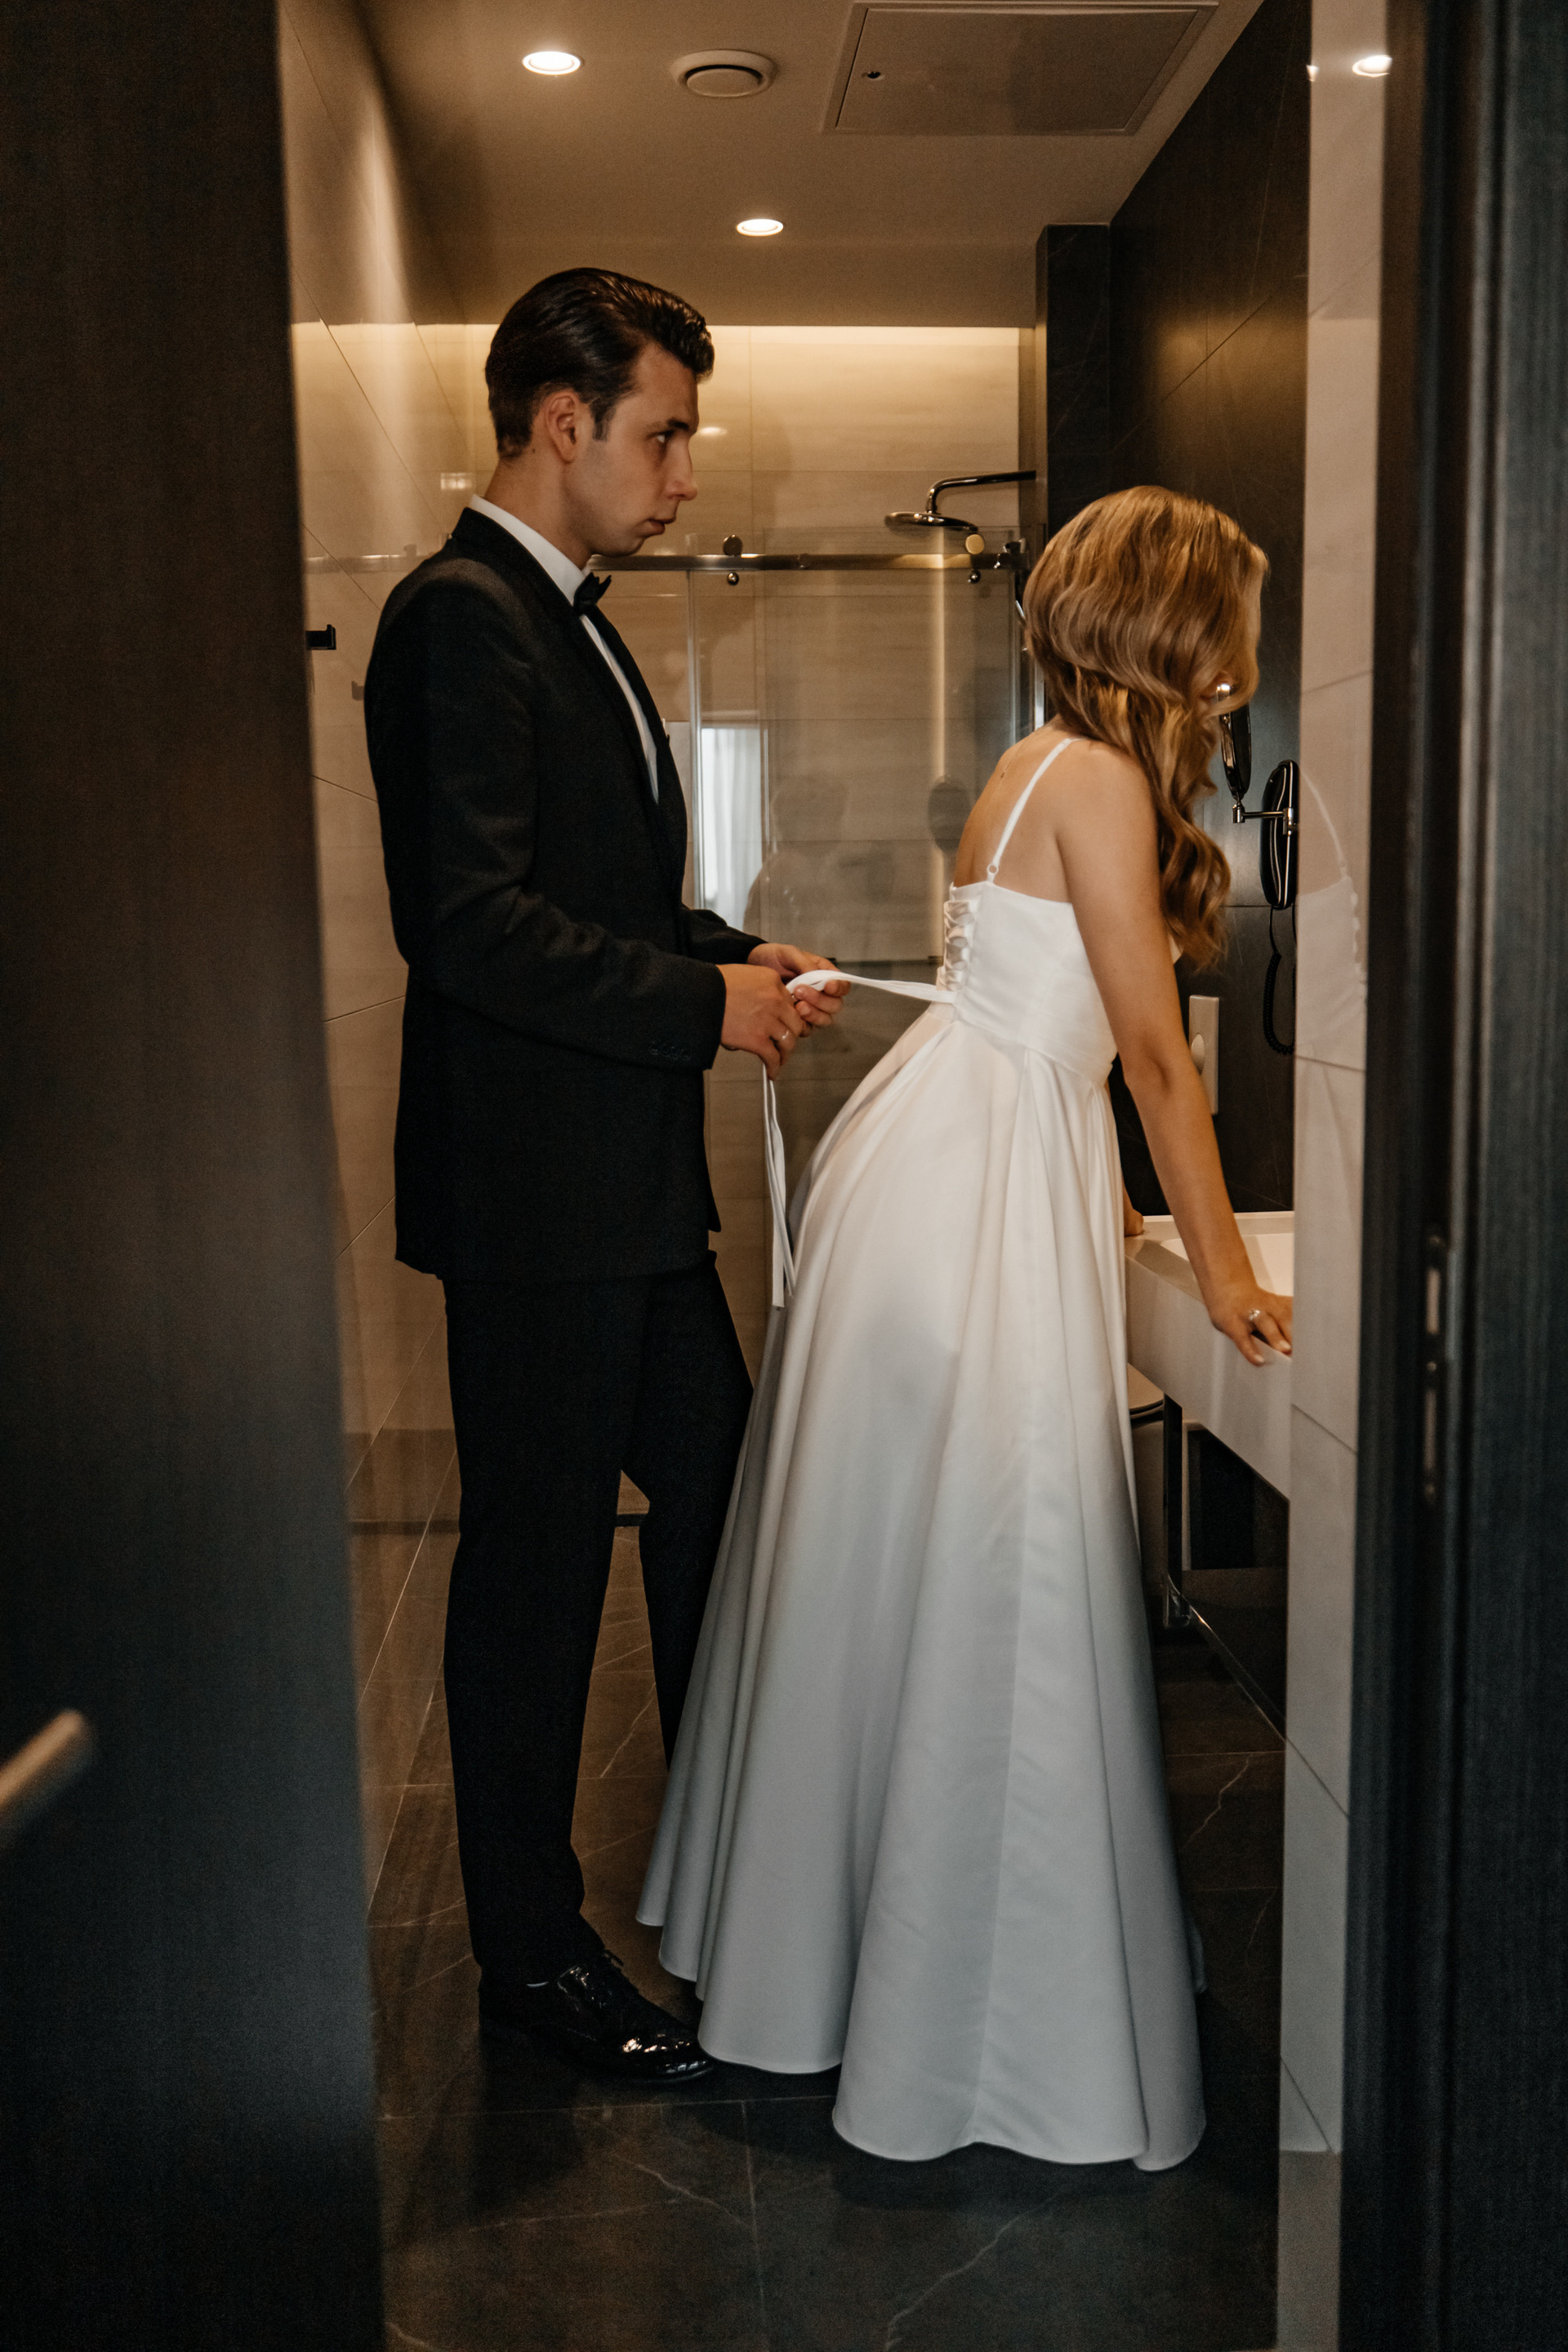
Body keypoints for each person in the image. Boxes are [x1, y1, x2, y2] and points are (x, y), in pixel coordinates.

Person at [640, 485, 1293, 2166]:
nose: (1242, 653)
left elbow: (1044, 1020)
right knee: (997, 1563)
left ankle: (830, 1954)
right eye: (1231, 618)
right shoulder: (1098, 780)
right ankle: (981, 2021)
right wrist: (1227, 1275)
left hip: (939, 1155)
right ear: (1174, 623)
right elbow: (1152, 1057)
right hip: (977, 1181)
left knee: (895, 1561)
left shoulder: (1040, 763)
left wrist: (1128, 1206)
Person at [363, 270, 843, 2081]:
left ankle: (724, 1865)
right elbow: (468, 925)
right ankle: (529, 1953)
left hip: (622, 1196)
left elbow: (601, 894)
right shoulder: (459, 617)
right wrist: (700, 1008)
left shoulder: (566, 618)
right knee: (539, 1573)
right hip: (538, 1203)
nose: (685, 473)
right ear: (562, 422)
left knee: (723, 1496)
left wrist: (730, 951)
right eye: (667, 433)